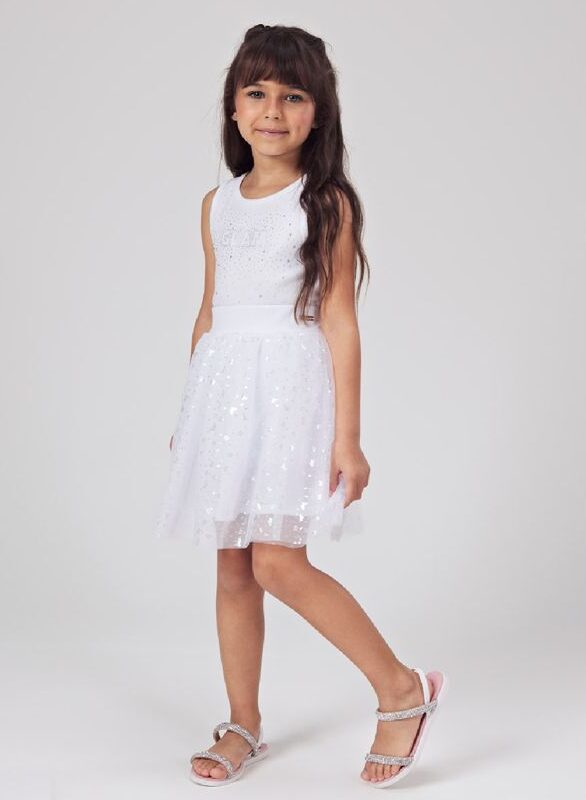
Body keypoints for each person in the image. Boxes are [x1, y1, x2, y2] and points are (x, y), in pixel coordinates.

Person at [154, 23, 447, 789]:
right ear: (233, 106)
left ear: (319, 113)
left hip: (289, 391)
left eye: (292, 96)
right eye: (256, 93)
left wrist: (349, 438)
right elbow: (210, 312)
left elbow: (341, 320)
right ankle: (242, 723)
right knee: (233, 566)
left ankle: (401, 689)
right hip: (225, 395)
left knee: (278, 562)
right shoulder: (216, 205)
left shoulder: (325, 203)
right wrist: (192, 416)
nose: (272, 111)